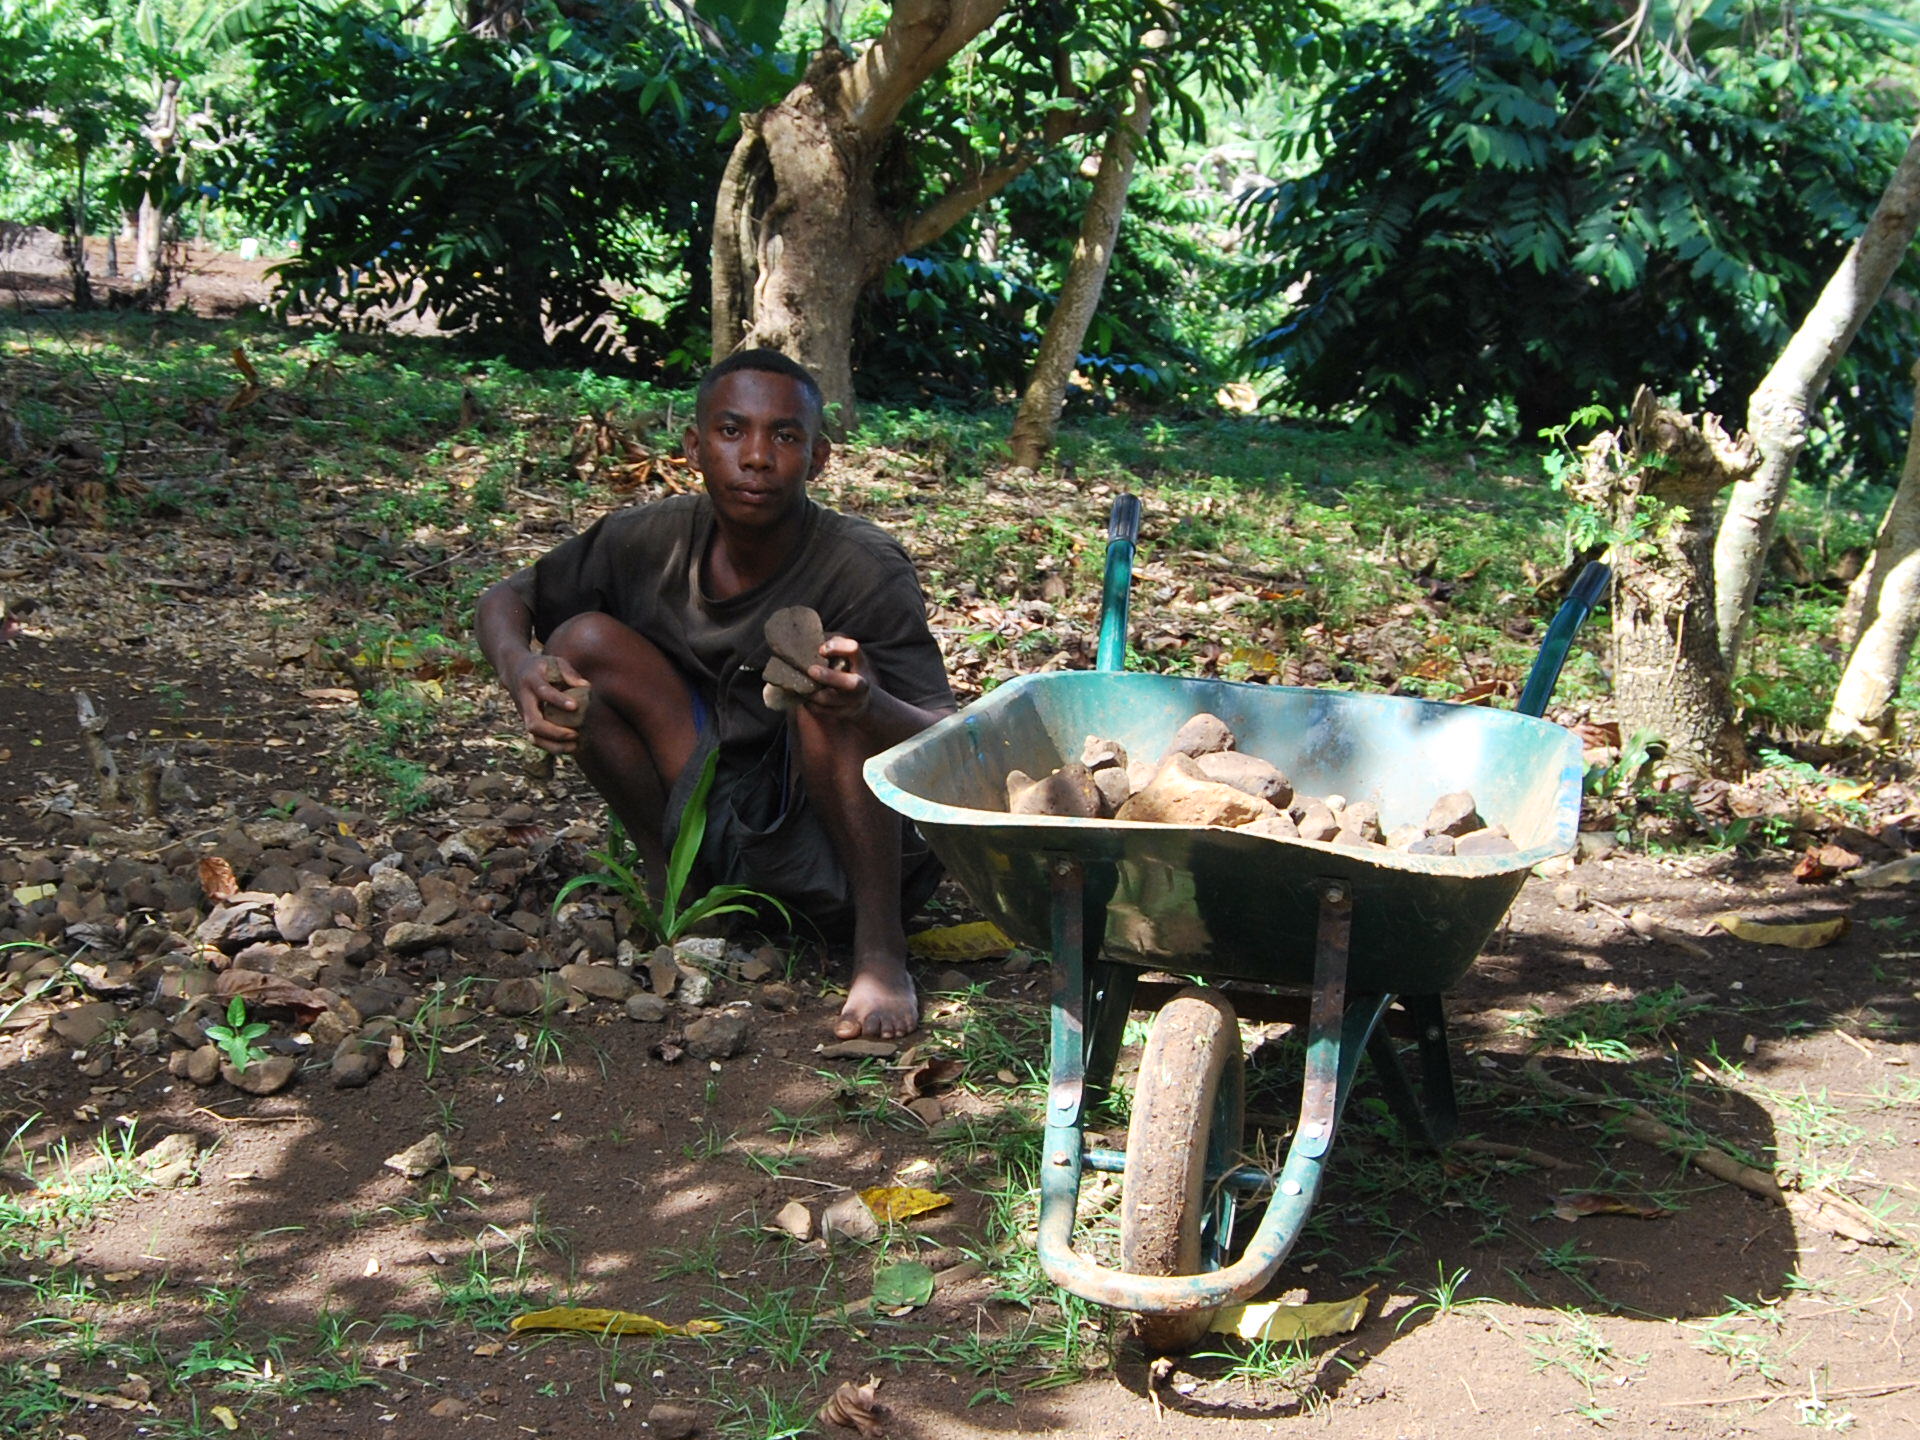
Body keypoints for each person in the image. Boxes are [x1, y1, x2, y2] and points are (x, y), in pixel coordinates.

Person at [475, 350, 954, 1040]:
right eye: (733, 432)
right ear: (695, 447)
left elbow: (946, 737)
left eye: (784, 437)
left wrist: (864, 704)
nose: (756, 457)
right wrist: (519, 663)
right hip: (717, 804)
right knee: (579, 640)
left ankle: (879, 953)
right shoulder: (652, 540)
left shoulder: (861, 567)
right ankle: (685, 888)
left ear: (819, 458)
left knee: (826, 684)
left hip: (842, 851)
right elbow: (507, 598)